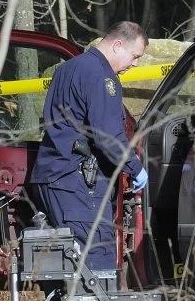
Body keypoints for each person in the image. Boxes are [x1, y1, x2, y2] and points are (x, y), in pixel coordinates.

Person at [29, 21, 148, 272]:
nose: (135, 63)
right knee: (97, 261)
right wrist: (135, 168)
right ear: (118, 45)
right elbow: (108, 136)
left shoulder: (68, 68)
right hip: (78, 182)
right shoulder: (101, 76)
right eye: (135, 56)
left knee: (68, 263)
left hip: (55, 177)